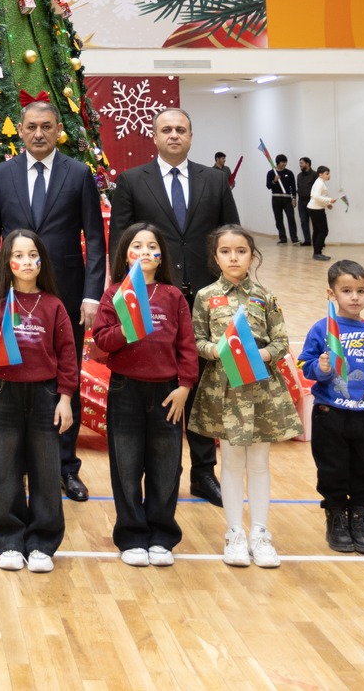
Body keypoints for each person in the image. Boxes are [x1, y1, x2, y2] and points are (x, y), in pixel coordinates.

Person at [105, 108, 236, 505]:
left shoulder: (214, 180)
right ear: (155, 137)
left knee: (200, 383)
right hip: (153, 299)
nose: (174, 135)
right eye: (167, 130)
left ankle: (202, 472)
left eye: (181, 130)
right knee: (164, 381)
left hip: (206, 296)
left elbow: (230, 235)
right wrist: (121, 291)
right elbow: (120, 241)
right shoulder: (131, 181)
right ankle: (158, 472)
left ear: (191, 136)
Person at [0, 100, 106, 499]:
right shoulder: (2, 174)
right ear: (20, 128)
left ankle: (65, 467)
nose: (39, 133)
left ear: (57, 131)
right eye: (32, 126)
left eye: (47, 126)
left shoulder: (79, 173)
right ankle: (18, 468)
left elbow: (95, 238)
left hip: (65, 292)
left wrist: (91, 294)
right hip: (14, 294)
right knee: (17, 375)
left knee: (65, 373)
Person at [90, 223, 197, 568]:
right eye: (137, 245)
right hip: (126, 389)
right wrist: (126, 329)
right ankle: (132, 535)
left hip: (168, 392)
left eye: (153, 246)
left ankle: (162, 535)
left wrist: (184, 386)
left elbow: (187, 345)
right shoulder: (114, 295)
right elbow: (101, 341)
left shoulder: (173, 295)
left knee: (167, 465)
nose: (146, 252)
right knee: (126, 463)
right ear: (125, 255)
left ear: (162, 255)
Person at [194, 225, 300, 570]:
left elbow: (281, 341)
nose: (234, 257)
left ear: (252, 255)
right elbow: (196, 340)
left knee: (259, 462)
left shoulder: (265, 297)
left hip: (260, 389)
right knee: (231, 462)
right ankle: (234, 532)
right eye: (225, 251)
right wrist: (218, 350)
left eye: (240, 250)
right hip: (223, 388)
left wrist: (263, 355)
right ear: (215, 257)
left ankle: (260, 533)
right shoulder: (206, 296)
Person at [0, 230, 76, 575]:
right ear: (7, 262)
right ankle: (10, 540)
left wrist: (65, 398)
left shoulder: (54, 305)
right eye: (19, 255)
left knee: (46, 469)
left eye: (33, 255)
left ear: (42, 261)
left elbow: (67, 355)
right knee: (3, 467)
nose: (26, 262)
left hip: (45, 394)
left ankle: (43, 543)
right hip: (5, 392)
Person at [298, 259, 364, 557]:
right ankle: (336, 519)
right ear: (332, 295)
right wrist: (321, 366)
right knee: (332, 469)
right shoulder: (321, 330)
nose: (354, 297)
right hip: (330, 413)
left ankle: (360, 519)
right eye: (346, 290)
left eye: (360, 291)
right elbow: (304, 365)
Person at [306, 163, 342, 261]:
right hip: (316, 209)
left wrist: (327, 203)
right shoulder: (319, 183)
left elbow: (319, 197)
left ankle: (316, 252)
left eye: (329, 173)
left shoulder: (320, 182)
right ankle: (317, 252)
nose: (328, 175)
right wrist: (329, 200)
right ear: (320, 174)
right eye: (327, 173)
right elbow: (316, 196)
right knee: (323, 231)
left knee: (317, 231)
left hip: (314, 208)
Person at [266, 155, 299, 245]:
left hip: (287, 199)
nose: (284, 164)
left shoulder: (289, 173)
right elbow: (268, 186)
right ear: (278, 162)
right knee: (278, 219)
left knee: (291, 218)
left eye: (285, 162)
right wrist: (274, 180)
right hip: (276, 198)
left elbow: (293, 186)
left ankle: (294, 239)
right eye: (282, 162)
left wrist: (294, 198)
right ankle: (283, 238)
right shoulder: (271, 173)